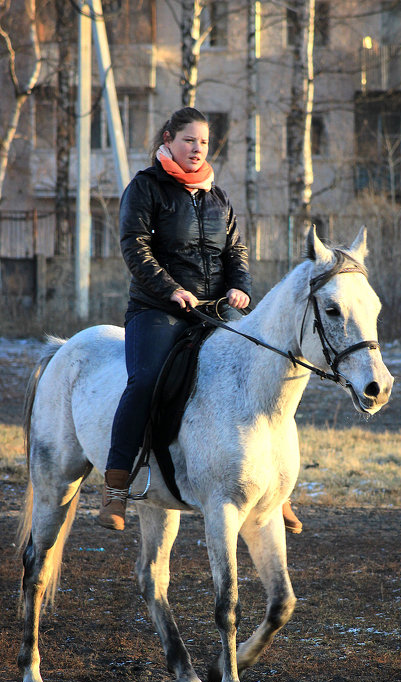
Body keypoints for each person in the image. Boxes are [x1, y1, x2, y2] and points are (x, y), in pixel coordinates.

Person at [98, 107, 303, 535]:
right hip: (158, 309)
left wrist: (240, 286)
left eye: (204, 142)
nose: (196, 149)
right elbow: (135, 248)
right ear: (169, 139)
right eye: (189, 140)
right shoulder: (146, 187)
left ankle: (276, 489)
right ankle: (116, 486)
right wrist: (171, 289)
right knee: (146, 379)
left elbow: (236, 252)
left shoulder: (217, 197)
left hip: (214, 308)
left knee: (263, 371)